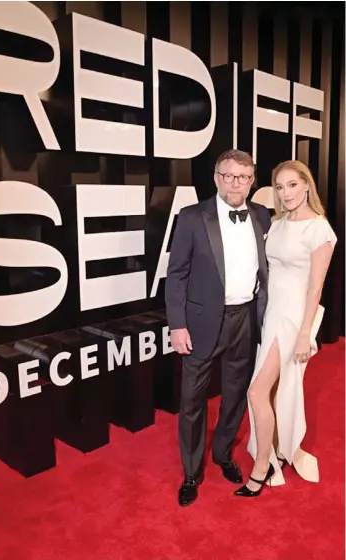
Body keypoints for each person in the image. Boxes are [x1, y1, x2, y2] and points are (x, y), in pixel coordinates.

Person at [165, 149, 271, 507]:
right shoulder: (193, 217)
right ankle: (191, 472)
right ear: (215, 178)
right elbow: (176, 274)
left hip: (246, 320)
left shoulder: (261, 215)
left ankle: (223, 452)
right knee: (192, 400)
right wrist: (177, 325)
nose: (235, 183)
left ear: (252, 180)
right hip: (201, 322)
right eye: (228, 175)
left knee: (236, 393)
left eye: (242, 176)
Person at [235, 160, 337, 498]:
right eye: (279, 187)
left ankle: (262, 466)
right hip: (272, 314)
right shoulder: (277, 224)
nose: (285, 193)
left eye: (292, 185)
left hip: (293, 318)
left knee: (256, 391)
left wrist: (306, 333)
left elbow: (315, 287)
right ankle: (275, 447)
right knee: (275, 390)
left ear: (307, 185)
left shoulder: (318, 228)